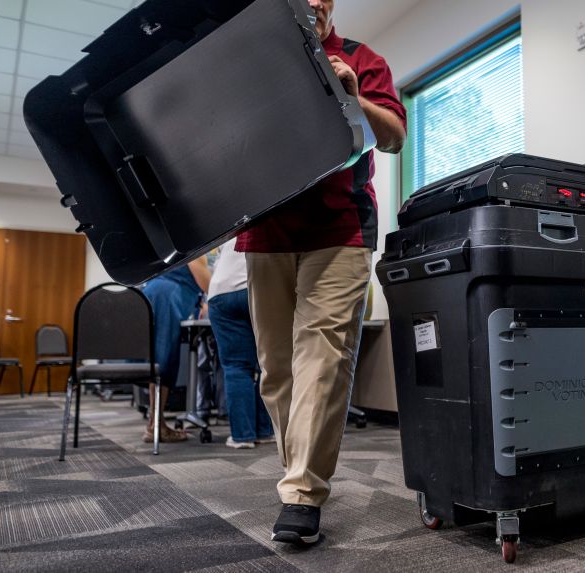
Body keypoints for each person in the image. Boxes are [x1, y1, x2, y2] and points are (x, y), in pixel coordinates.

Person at [236, 0, 406, 546]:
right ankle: (298, 476)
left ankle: (302, 494)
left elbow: (396, 135)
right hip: (266, 228)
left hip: (341, 229)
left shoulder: (362, 58)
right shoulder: (257, 65)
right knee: (277, 370)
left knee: (323, 358)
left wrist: (353, 97)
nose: (315, 1)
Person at [207, 238, 275, 449]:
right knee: (268, 364)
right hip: (258, 288)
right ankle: (265, 431)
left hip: (221, 292)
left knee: (236, 366)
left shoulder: (231, 226)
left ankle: (243, 436)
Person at [141, 256, 211, 443]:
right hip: (168, 298)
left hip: (155, 293)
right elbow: (205, 282)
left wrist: (201, 301)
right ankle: (156, 426)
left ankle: (155, 422)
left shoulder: (172, 242)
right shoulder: (194, 243)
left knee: (158, 360)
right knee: (164, 361)